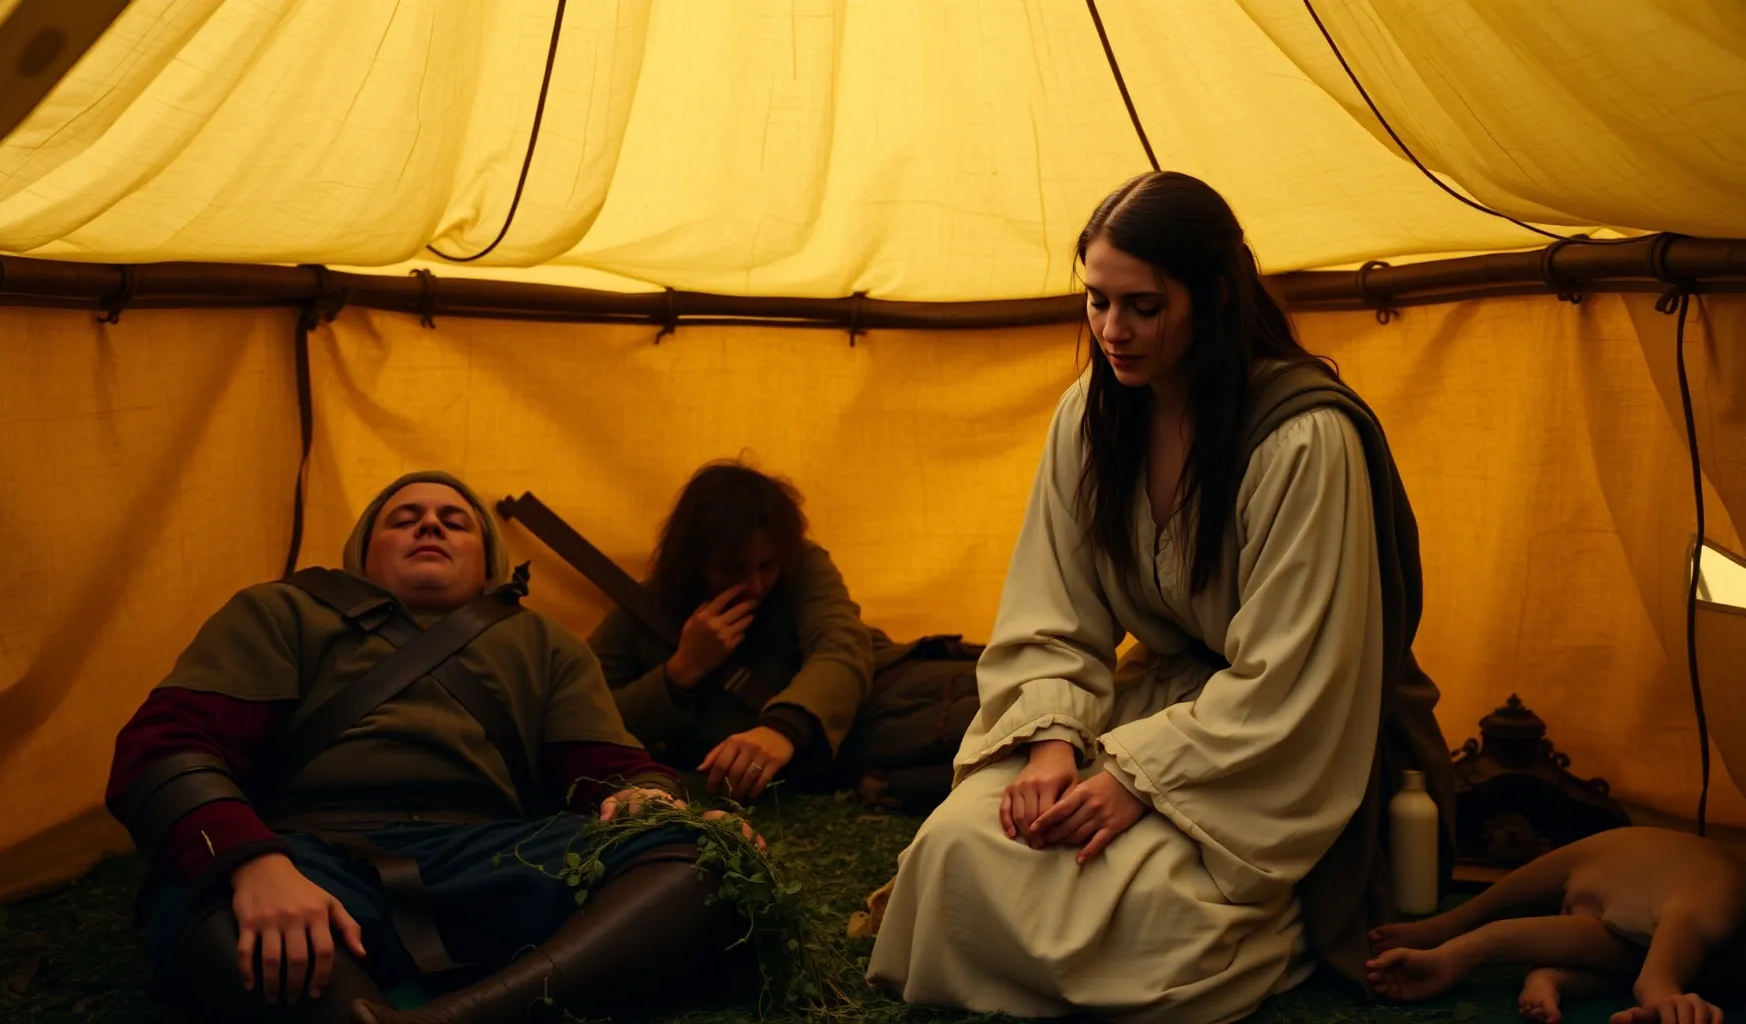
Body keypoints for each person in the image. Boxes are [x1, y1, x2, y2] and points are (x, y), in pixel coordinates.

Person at [862, 171, 1456, 1023]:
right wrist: (1051, 746)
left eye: (1142, 306)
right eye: (1097, 301)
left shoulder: (1304, 440)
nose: (1113, 330)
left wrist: (1142, 782)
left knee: (1147, 919)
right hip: (1152, 714)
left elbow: (1297, 677)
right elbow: (1052, 610)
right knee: (959, 848)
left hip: (1271, 756)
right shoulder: (1091, 416)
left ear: (1214, 294)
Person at [106, 470, 752, 1024]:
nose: (430, 525)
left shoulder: (543, 642)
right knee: (217, 900)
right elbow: (167, 746)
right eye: (404, 518)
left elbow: (607, 767)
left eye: (455, 521)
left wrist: (651, 799)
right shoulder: (280, 612)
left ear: (487, 562)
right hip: (310, 857)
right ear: (362, 554)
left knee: (707, 857)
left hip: (494, 857)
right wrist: (252, 862)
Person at [587, 461, 875, 802]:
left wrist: (783, 727)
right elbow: (584, 715)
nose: (755, 585)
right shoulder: (647, 608)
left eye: (767, 566)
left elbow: (842, 645)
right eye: (731, 569)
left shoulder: (803, 567)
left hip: (824, 747)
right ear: (693, 562)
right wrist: (680, 671)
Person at [1367, 826, 1746, 1024]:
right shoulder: (1716, 899)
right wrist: (1665, 998)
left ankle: (1546, 976)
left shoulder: (1720, 952)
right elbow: (1655, 981)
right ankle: (1450, 926)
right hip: (1624, 858)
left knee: (1633, 955)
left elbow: (1638, 968)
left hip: (1634, 924)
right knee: (1494, 902)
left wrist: (1455, 955)